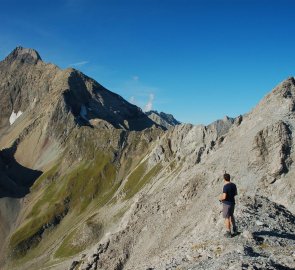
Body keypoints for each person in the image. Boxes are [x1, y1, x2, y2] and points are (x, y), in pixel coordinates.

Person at [219, 173, 237, 237]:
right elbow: (235, 193)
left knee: (227, 218)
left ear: (224, 179)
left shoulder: (225, 186)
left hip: (227, 204)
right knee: (232, 215)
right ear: (229, 178)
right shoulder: (234, 185)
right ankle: (235, 228)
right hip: (232, 203)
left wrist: (220, 198)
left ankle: (229, 232)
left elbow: (224, 197)